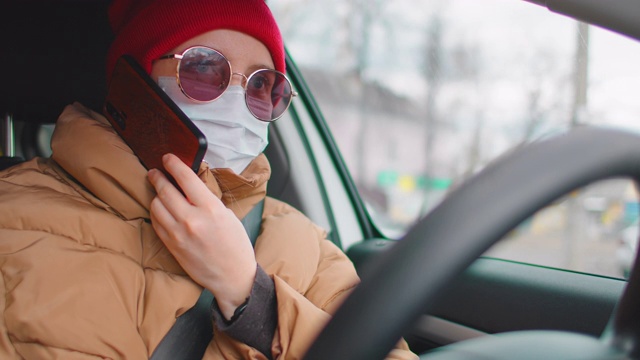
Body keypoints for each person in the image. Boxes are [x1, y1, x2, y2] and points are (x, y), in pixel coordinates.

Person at [0, 0, 418, 359]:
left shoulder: (306, 248)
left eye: (263, 86)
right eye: (203, 69)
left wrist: (252, 296)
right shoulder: (12, 218)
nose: (238, 99)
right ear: (135, 86)